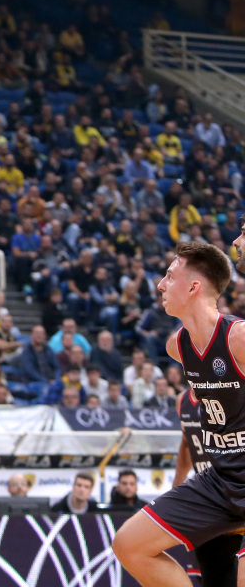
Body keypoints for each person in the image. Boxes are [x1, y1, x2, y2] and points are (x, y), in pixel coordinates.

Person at [113, 241, 245, 587]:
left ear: (193, 287)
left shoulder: (239, 339)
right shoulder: (177, 346)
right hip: (220, 478)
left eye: (169, 276)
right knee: (129, 545)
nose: (160, 285)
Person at [174, 386, 243, 587]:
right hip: (209, 496)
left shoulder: (230, 391)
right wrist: (177, 484)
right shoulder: (182, 400)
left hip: (236, 489)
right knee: (213, 575)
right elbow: (187, 443)